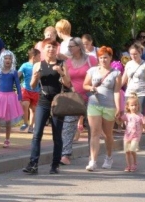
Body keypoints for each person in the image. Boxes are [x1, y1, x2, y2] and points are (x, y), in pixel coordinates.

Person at [23, 38, 72, 175]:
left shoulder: (62, 63)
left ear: (57, 49)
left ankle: (55, 165)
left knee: (57, 135)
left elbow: (68, 83)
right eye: (48, 47)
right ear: (44, 49)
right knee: (37, 133)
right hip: (43, 100)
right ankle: (33, 164)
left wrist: (61, 72)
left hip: (58, 101)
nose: (51, 49)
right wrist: (35, 77)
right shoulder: (38, 65)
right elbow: (32, 85)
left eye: (53, 47)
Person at [83, 46, 121, 171]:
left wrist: (118, 107)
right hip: (94, 104)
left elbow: (116, 92)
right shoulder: (92, 70)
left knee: (107, 134)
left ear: (110, 58)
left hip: (109, 106)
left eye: (105, 57)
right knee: (94, 132)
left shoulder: (116, 73)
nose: (103, 60)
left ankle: (109, 157)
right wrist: (91, 88)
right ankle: (93, 161)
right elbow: (85, 85)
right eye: (100, 58)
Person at [61, 37, 95, 165]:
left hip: (90, 97)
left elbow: (98, 76)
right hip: (74, 98)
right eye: (68, 46)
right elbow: (66, 81)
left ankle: (92, 155)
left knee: (92, 126)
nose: (69, 48)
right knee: (68, 126)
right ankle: (65, 155)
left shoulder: (91, 60)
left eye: (71, 46)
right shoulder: (67, 62)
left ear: (79, 47)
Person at [0, 52, 23, 148]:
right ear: (2, 60)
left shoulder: (13, 72)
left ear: (12, 60)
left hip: (10, 97)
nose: (7, 60)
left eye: (9, 58)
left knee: (8, 120)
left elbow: (18, 85)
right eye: (6, 58)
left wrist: (20, 97)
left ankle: (7, 139)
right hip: (0, 97)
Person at [122, 42, 145, 117]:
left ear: (140, 53)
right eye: (131, 54)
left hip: (142, 93)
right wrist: (115, 89)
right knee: (128, 115)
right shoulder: (128, 64)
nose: (133, 56)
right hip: (129, 93)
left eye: (135, 54)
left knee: (139, 115)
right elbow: (123, 79)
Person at [122, 94, 145, 173]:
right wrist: (117, 116)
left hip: (136, 136)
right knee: (127, 151)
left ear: (138, 106)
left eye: (136, 105)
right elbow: (119, 121)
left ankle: (134, 164)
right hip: (127, 136)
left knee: (132, 150)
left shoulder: (140, 116)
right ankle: (128, 165)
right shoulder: (127, 115)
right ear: (128, 106)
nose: (134, 107)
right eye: (132, 105)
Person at [18, 48, 40, 134]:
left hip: (36, 90)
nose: (40, 58)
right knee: (25, 105)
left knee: (33, 109)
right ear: (34, 57)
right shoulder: (25, 65)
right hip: (26, 89)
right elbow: (18, 74)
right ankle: (25, 123)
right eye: (39, 56)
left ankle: (31, 126)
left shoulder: (40, 65)